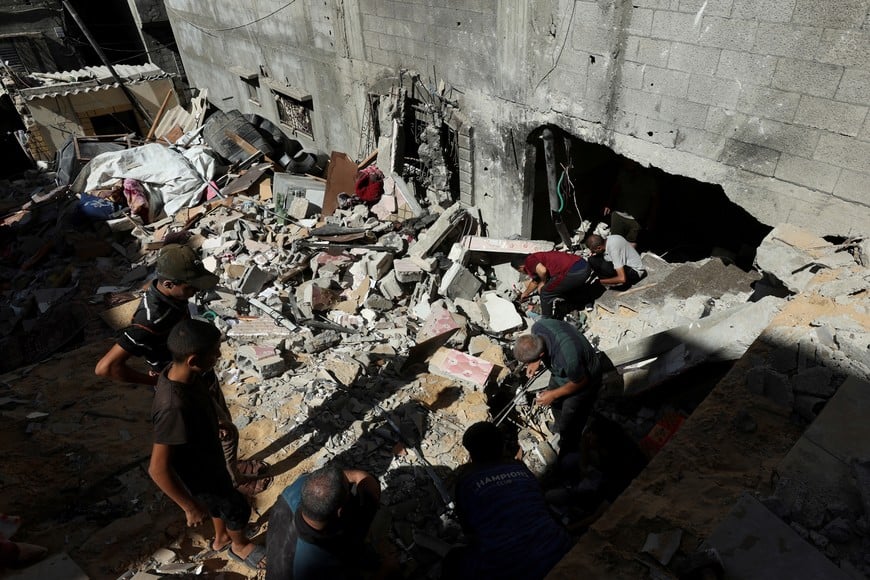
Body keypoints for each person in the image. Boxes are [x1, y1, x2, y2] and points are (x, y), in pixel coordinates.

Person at [96, 244, 270, 495]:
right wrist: (151, 381)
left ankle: (229, 465)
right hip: (185, 388)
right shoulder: (148, 322)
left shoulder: (169, 296)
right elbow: (106, 367)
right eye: (190, 286)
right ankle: (233, 480)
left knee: (223, 426)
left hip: (198, 376)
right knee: (223, 432)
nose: (195, 291)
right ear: (168, 284)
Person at [148, 319, 266, 570]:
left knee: (218, 504)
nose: (219, 356)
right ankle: (240, 546)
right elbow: (157, 469)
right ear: (193, 359)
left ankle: (222, 538)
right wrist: (189, 508)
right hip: (199, 471)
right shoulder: (172, 408)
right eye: (214, 353)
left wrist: (217, 422)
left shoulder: (186, 374)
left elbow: (202, 399)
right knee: (236, 507)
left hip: (208, 456)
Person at [444, 422, 574, 580]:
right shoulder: (520, 468)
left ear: (471, 454)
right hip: (561, 552)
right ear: (502, 446)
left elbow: (470, 533)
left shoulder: (466, 480)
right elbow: (540, 504)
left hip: (512, 571)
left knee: (453, 559)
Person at [266, 464, 386, 580]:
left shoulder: (300, 487)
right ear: (341, 512)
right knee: (382, 518)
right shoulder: (321, 566)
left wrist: (352, 477)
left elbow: (353, 477)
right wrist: (387, 570)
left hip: (284, 558)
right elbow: (367, 482)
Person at [513, 319, 602, 458]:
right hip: (561, 372)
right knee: (555, 401)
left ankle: (568, 448)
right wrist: (534, 362)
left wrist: (553, 394)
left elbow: (581, 381)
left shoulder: (567, 357)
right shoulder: (538, 328)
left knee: (571, 416)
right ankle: (559, 427)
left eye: (531, 361)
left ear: (541, 355)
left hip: (584, 378)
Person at [511, 251, 592, 318]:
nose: (522, 273)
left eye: (520, 271)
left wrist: (543, 283)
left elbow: (543, 271)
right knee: (556, 286)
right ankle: (585, 300)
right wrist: (525, 293)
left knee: (545, 292)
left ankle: (546, 319)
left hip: (575, 272)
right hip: (583, 265)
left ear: (521, 267)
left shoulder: (529, 261)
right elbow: (536, 280)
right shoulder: (535, 257)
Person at [604, 158, 659, 245]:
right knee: (614, 240)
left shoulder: (649, 180)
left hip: (636, 218)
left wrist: (651, 218)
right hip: (619, 214)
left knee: (631, 243)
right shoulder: (623, 174)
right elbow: (615, 189)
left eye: (630, 162)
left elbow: (655, 201)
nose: (626, 163)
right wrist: (609, 204)